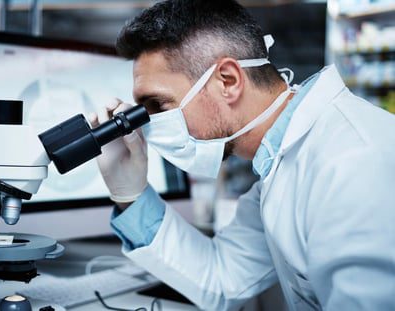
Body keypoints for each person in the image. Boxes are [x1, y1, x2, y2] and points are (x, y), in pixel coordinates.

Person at [90, 1, 395, 310]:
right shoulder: (279, 165)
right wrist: (131, 193)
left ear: (229, 81)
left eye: (158, 104)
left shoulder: (354, 164)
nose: (150, 126)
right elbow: (222, 278)